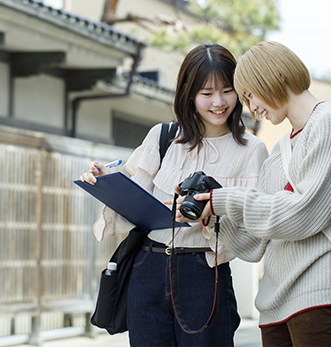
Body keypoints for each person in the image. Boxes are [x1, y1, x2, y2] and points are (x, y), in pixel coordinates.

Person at [176, 41, 331, 347]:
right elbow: (254, 245)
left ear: (275, 76)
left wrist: (226, 199)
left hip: (321, 295)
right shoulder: (278, 155)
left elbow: (305, 213)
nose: (251, 107)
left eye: (250, 94)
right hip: (273, 307)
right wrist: (213, 213)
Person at [79, 43, 269, 347]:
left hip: (204, 274)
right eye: (206, 93)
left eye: (227, 90)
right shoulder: (164, 137)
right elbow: (134, 203)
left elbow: (255, 234)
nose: (218, 102)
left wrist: (211, 216)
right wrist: (108, 183)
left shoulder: (253, 150)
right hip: (148, 269)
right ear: (189, 94)